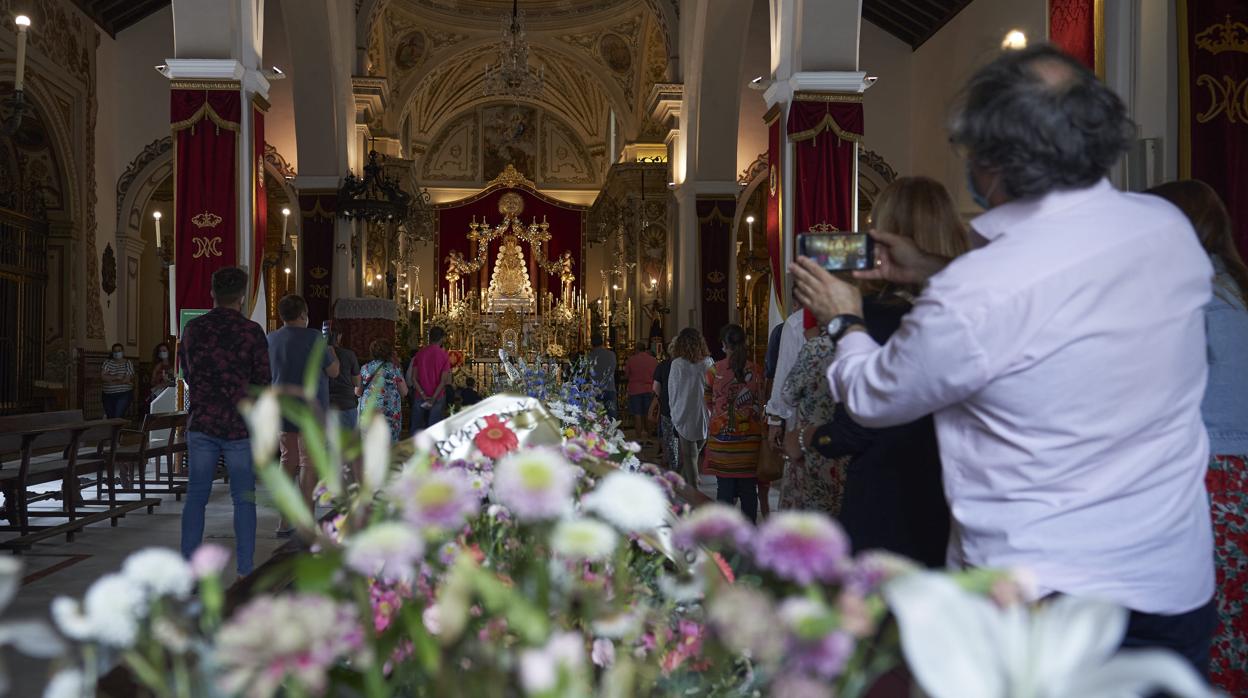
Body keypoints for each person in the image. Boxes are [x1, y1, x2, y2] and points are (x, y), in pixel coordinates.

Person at [791, 45, 1216, 672]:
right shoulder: (1166, 229)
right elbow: (1047, 290)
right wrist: (933, 266)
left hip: (1039, 602)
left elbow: (875, 397)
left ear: (991, 162)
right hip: (1169, 578)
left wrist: (843, 315)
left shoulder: (979, 292)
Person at [805, 176, 965, 566]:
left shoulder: (875, 314)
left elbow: (859, 419)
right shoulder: (969, 303)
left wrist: (812, 437)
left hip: (889, 492)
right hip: (951, 492)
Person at [1148, 179, 1248, 694]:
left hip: (1209, 477)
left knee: (1207, 627)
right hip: (1240, 475)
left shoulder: (1183, 298)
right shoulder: (1237, 286)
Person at [178, 266, 270, 576]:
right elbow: (263, 381)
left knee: (196, 497)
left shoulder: (193, 329)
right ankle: (245, 569)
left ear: (212, 293)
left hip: (203, 422)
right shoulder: (251, 332)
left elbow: (187, 373)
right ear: (242, 297)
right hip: (239, 427)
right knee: (244, 499)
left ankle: (189, 571)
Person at [268, 295, 340, 537]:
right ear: (303, 314)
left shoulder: (271, 339)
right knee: (309, 464)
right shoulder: (314, 338)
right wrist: (331, 350)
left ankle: (283, 521)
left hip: (283, 409)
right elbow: (333, 371)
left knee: (287, 461)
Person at [778, 316, 845, 515]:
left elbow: (788, 394)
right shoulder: (863, 342)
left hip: (813, 446)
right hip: (849, 444)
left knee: (812, 517)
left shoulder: (816, 348)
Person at [704, 324, 765, 522]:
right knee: (749, 491)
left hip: (723, 445)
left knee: (724, 491)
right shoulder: (756, 370)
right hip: (750, 445)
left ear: (723, 344)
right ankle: (748, 536)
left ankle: (725, 538)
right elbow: (762, 400)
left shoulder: (714, 370)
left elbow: (708, 402)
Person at [667, 328, 711, 488]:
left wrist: (674, 411)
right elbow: (711, 387)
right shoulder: (707, 362)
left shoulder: (677, 364)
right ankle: (681, 486)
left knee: (690, 455)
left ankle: (692, 492)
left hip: (684, 411)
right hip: (703, 411)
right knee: (693, 454)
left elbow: (672, 390)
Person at [359, 340, 409, 442]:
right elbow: (404, 392)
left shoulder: (365, 368)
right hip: (389, 414)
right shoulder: (394, 368)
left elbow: (357, 392)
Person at [407, 326, 451, 433]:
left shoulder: (420, 353)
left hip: (420, 395)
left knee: (416, 428)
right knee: (434, 429)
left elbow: (413, 378)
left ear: (429, 338)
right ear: (442, 339)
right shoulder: (444, 355)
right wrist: (433, 397)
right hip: (437, 396)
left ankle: (416, 449)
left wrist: (423, 395)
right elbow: (444, 381)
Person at [326, 328, 361, 431]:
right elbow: (357, 382)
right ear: (339, 336)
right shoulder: (349, 355)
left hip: (326, 405)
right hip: (346, 405)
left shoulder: (317, 354)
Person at [650, 346, 678, 471]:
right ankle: (689, 468)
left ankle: (674, 466)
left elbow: (656, 388)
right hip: (686, 407)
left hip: (668, 405)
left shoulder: (663, 365)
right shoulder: (690, 365)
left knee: (670, 438)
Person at [624, 342, 658, 434]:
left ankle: (639, 437)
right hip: (649, 389)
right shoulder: (653, 360)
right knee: (649, 414)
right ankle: (649, 436)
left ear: (636, 350)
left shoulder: (631, 360)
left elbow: (626, 375)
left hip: (635, 390)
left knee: (637, 414)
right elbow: (656, 375)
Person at [100, 343, 134, 420]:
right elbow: (103, 376)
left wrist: (111, 381)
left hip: (123, 393)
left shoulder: (128, 363)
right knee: (110, 416)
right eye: (115, 351)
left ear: (123, 351)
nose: (117, 353)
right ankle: (112, 431)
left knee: (118, 416)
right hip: (107, 394)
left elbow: (127, 379)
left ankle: (117, 431)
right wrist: (117, 377)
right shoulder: (107, 362)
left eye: (119, 350)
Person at [588, 333, 618, 420]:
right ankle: (612, 432)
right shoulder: (611, 354)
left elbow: (587, 373)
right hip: (609, 389)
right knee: (611, 416)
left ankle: (597, 433)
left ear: (591, 343)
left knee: (596, 417)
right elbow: (613, 370)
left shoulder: (589, 356)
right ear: (602, 342)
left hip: (594, 390)